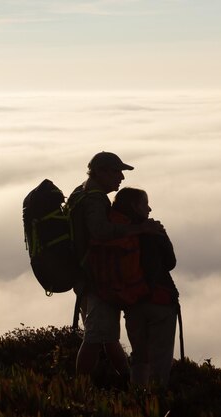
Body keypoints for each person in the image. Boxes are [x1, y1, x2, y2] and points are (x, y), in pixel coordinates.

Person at [69, 151, 162, 381]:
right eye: (116, 172)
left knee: (106, 335)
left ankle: (126, 379)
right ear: (100, 172)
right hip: (98, 280)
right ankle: (79, 390)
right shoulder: (94, 198)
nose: (121, 177)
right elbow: (100, 232)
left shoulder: (81, 192)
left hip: (86, 276)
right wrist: (139, 229)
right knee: (94, 337)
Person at [111, 187, 179, 387]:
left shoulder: (114, 230)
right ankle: (155, 399)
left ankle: (137, 398)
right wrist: (162, 234)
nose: (149, 208)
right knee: (160, 357)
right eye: (145, 204)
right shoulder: (151, 230)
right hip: (160, 301)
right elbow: (170, 262)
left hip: (131, 300)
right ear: (135, 206)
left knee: (139, 355)